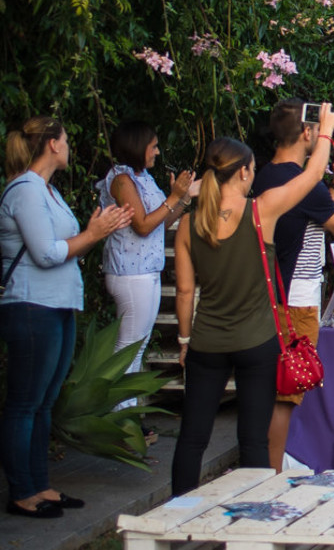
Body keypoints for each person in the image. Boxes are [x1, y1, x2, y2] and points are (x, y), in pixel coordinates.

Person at [170, 103, 334, 495]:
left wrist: (183, 341)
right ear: (246, 172)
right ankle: (256, 521)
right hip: (257, 343)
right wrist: (326, 130)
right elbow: (313, 174)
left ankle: (176, 516)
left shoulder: (188, 224)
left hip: (206, 344)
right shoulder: (261, 211)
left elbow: (184, 291)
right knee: (253, 441)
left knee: (192, 439)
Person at [0, 116, 133, 518]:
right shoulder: (25, 190)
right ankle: (22, 491)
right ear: (53, 145)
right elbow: (45, 253)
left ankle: (40, 485)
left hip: (56, 304)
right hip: (30, 306)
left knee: (44, 402)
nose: (69, 146)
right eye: (66, 138)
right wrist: (93, 234)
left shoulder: (46, 191)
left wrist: (97, 231)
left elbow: (66, 247)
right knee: (25, 403)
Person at [251, 98, 334, 472]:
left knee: (269, 392)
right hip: (297, 302)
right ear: (307, 133)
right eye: (317, 130)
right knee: (286, 395)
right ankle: (270, 476)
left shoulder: (263, 176)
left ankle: (264, 468)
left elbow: (315, 215)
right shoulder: (303, 183)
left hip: (265, 298)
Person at [98, 122, 195, 430]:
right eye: (152, 145)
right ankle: (121, 420)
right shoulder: (122, 178)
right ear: (137, 146)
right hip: (130, 272)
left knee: (136, 345)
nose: (156, 151)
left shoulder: (143, 177)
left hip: (146, 271)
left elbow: (159, 224)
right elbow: (140, 225)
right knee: (128, 346)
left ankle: (127, 416)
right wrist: (174, 196)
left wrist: (182, 199)